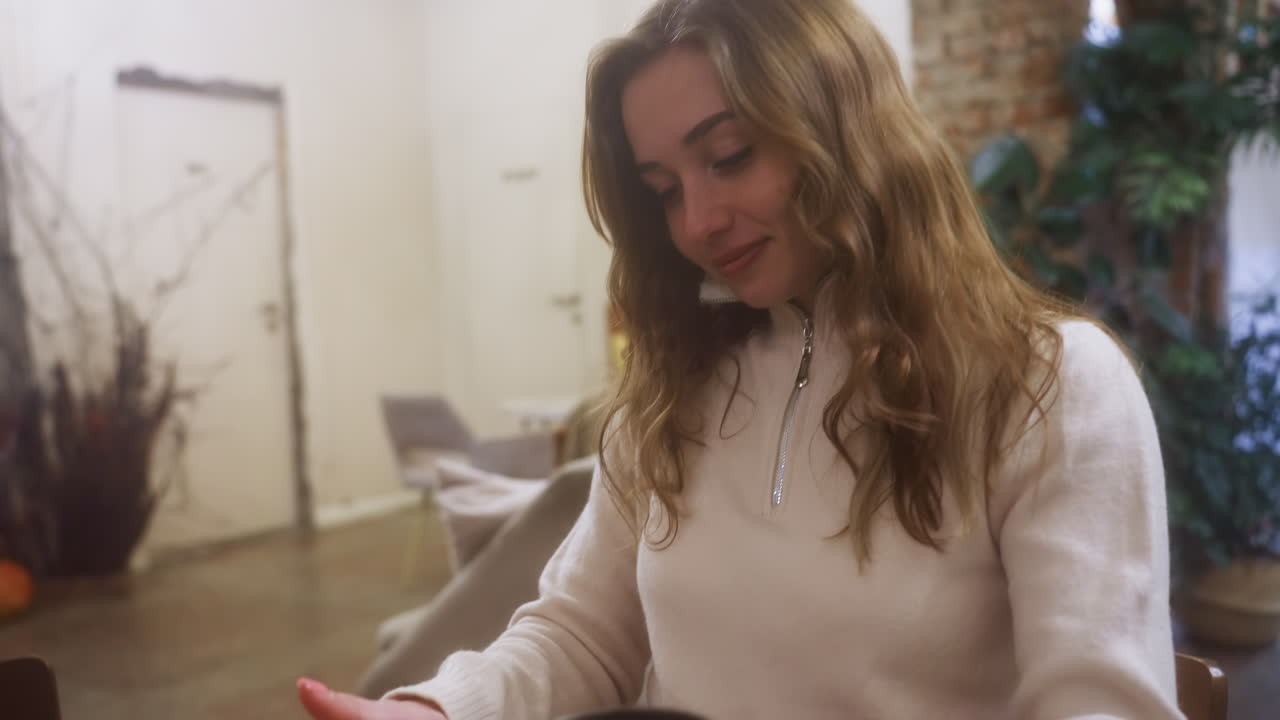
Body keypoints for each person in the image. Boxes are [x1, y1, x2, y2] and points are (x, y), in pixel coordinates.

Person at [297, 0, 1182, 718]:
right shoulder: (679, 388)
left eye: (728, 157)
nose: (697, 223)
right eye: (664, 190)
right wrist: (440, 710)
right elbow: (581, 635)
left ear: (849, 135)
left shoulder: (1051, 386)